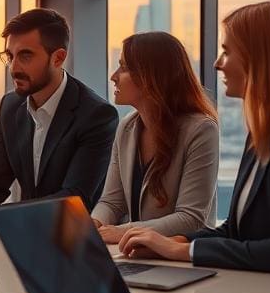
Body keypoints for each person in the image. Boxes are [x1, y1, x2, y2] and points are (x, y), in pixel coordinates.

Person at [118, 0, 270, 281]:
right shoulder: (264, 130)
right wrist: (171, 242)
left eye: (226, 52)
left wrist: (182, 251)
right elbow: (236, 232)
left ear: (260, 58)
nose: (217, 63)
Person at [0, 8, 118, 233]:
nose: (14, 68)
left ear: (58, 57)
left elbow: (75, 198)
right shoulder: (10, 106)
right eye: (10, 56)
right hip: (24, 239)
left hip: (75, 238)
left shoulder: (96, 115)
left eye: (25, 56)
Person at [92, 31, 219, 243]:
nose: (113, 76)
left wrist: (123, 232)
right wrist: (90, 226)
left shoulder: (201, 130)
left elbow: (191, 218)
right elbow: (112, 202)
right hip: (137, 252)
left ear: (150, 76)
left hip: (178, 258)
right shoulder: (127, 127)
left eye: (123, 67)